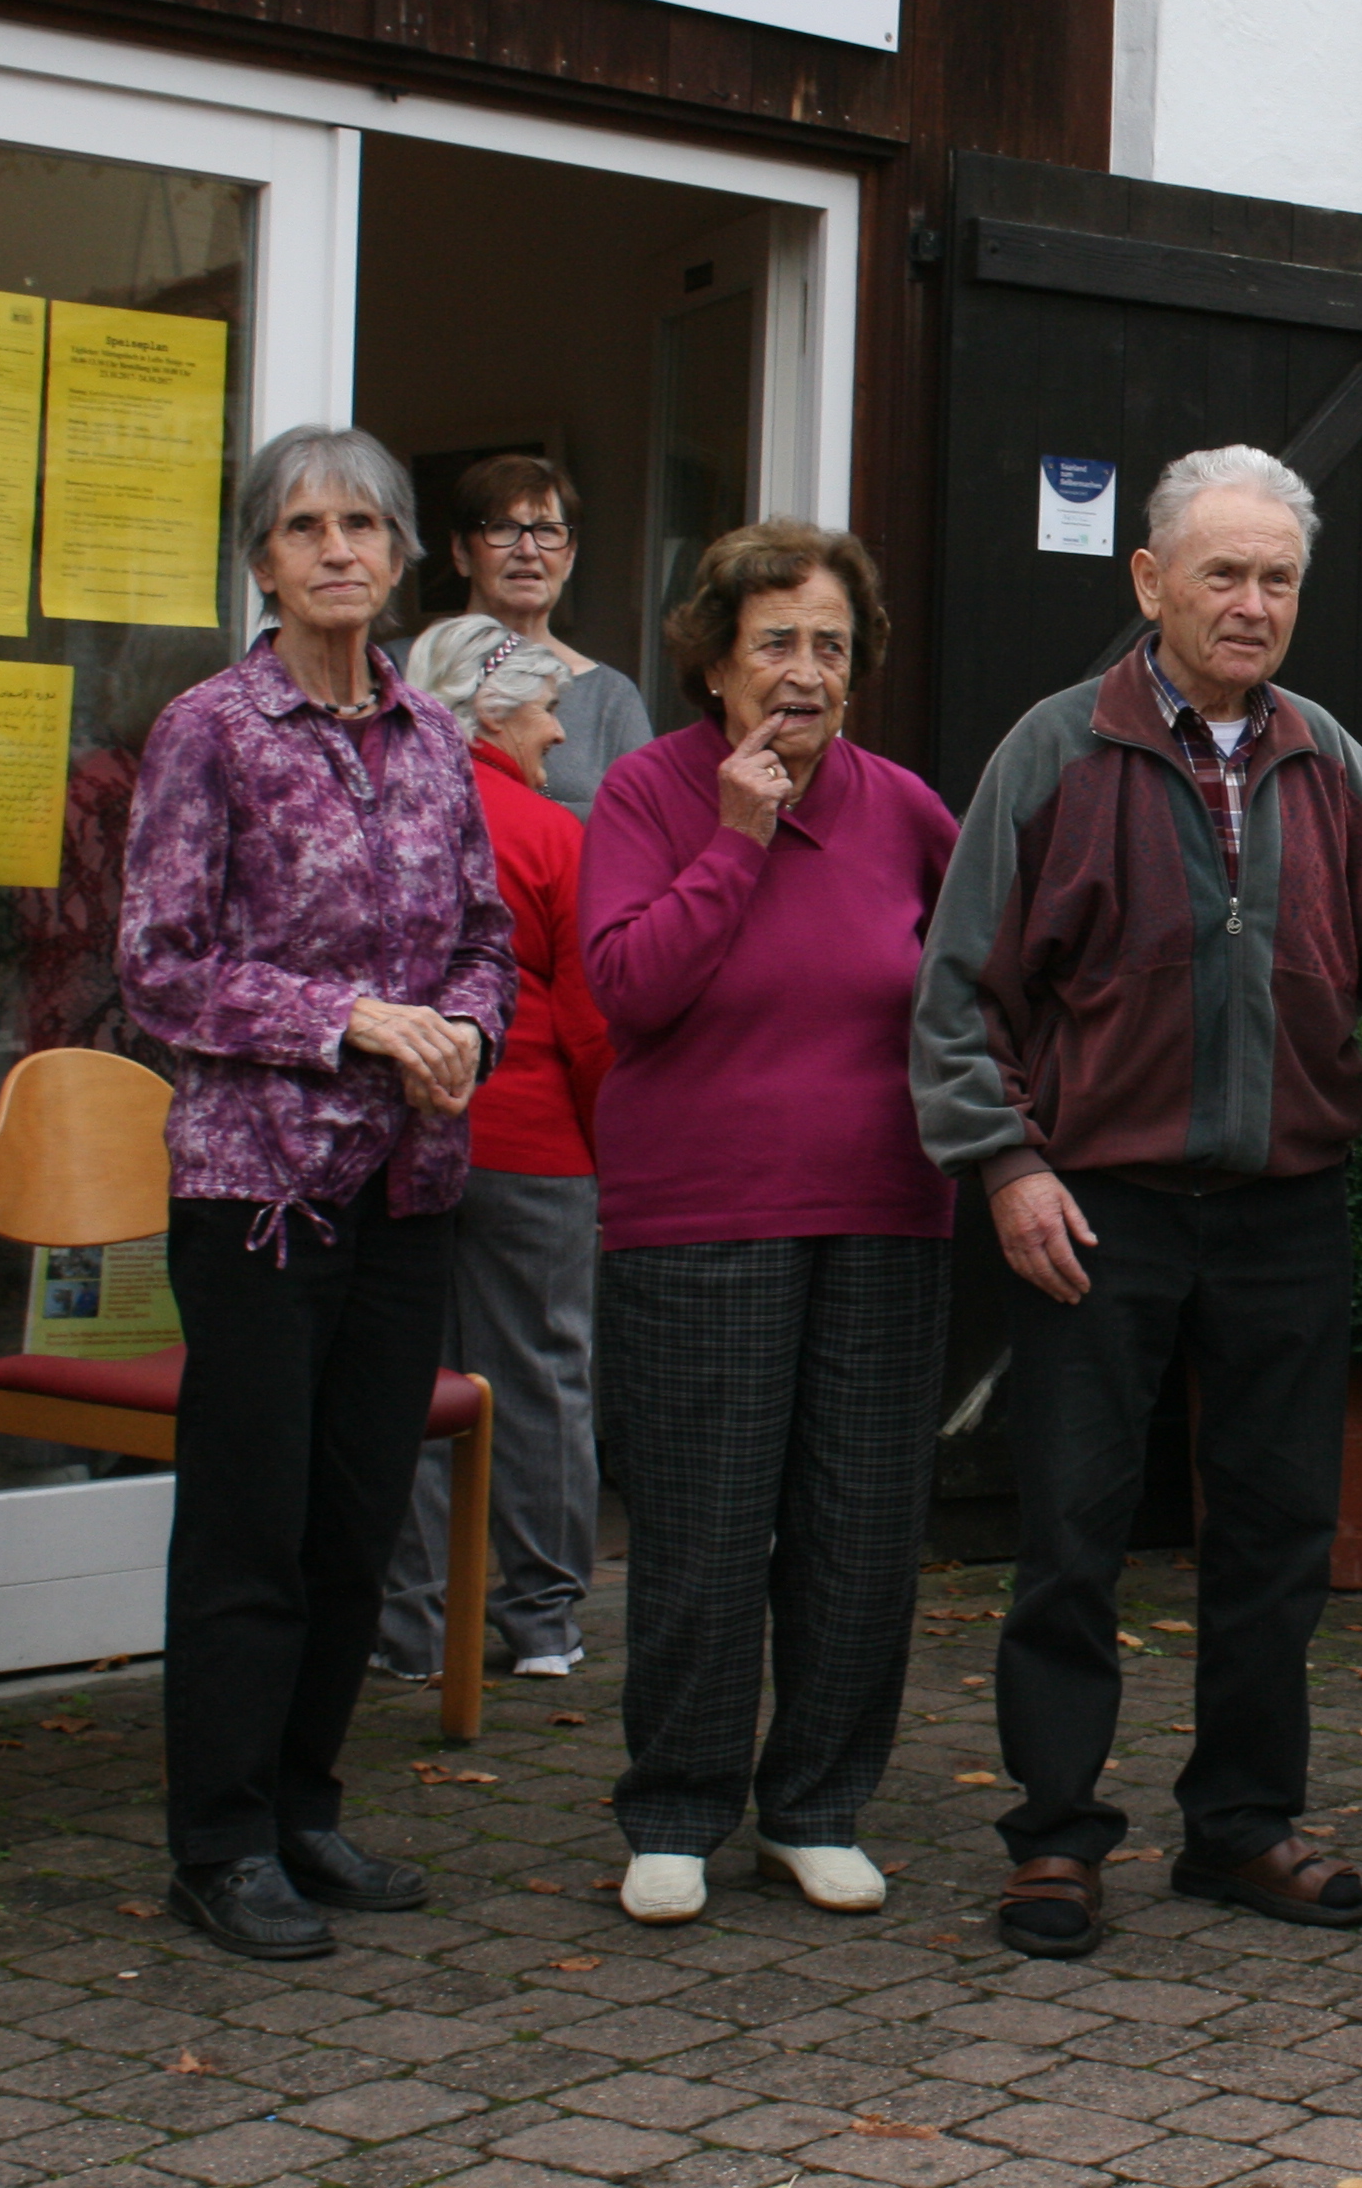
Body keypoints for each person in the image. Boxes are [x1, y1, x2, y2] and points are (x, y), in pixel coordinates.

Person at [912, 446, 1362, 1962]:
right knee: (1071, 1533)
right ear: (1151, 582)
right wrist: (1006, 1169)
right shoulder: (1056, 750)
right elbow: (956, 999)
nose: (1252, 602)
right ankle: (1055, 1839)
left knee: (1275, 1536)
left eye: (1277, 578)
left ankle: (1242, 1827)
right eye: (1223, 573)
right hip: (1099, 1211)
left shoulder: (1329, 756)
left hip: (1284, 1205)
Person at [116, 425, 516, 1962]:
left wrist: (469, 1029)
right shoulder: (210, 730)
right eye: (304, 526)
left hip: (407, 1187)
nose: (337, 548)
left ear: (406, 556)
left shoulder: (434, 739)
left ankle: (301, 1806)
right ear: (263, 561)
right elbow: (158, 972)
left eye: (364, 523)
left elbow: (488, 936)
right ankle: (216, 1843)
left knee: (356, 1520)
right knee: (252, 1529)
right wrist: (345, 1019)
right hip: (257, 1196)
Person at [581, 521, 957, 1928]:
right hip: (700, 1217)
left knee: (858, 1531)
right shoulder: (647, 794)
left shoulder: (906, 807)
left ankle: (816, 1806)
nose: (806, 675)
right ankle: (675, 1809)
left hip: (884, 1212)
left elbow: (982, 974)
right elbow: (631, 988)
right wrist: (738, 838)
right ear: (717, 665)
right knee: (705, 1526)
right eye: (778, 645)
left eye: (833, 648)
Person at [373, 617, 614, 1685]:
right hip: (536, 1145)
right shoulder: (555, 836)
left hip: (403, 1142)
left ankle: (409, 1626)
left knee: (404, 1373)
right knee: (542, 1374)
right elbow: (592, 1019)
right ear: (493, 711)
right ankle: (542, 1622)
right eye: (545, 707)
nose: (560, 734)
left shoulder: (389, 825)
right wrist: (616, 1149)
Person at [448, 453, 651, 817]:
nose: (527, 550)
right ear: (462, 552)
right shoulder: (401, 672)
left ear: (570, 558)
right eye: (502, 528)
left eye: (547, 531)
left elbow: (644, 831)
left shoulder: (611, 698)